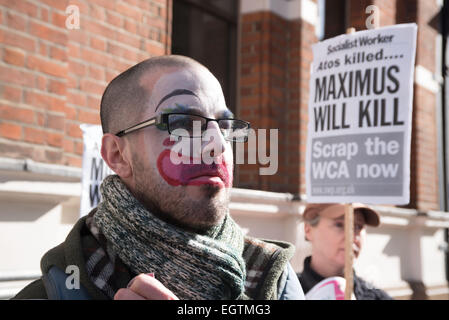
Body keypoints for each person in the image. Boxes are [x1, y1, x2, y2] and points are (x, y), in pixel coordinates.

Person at [13, 55, 304, 300]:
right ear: (116, 154)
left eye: (226, 126)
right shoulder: (55, 291)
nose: (218, 143)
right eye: (184, 124)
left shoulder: (274, 280)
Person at [297, 203, 393, 300]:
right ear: (308, 230)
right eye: (339, 224)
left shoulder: (377, 297)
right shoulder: (285, 292)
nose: (351, 236)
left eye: (358, 226)